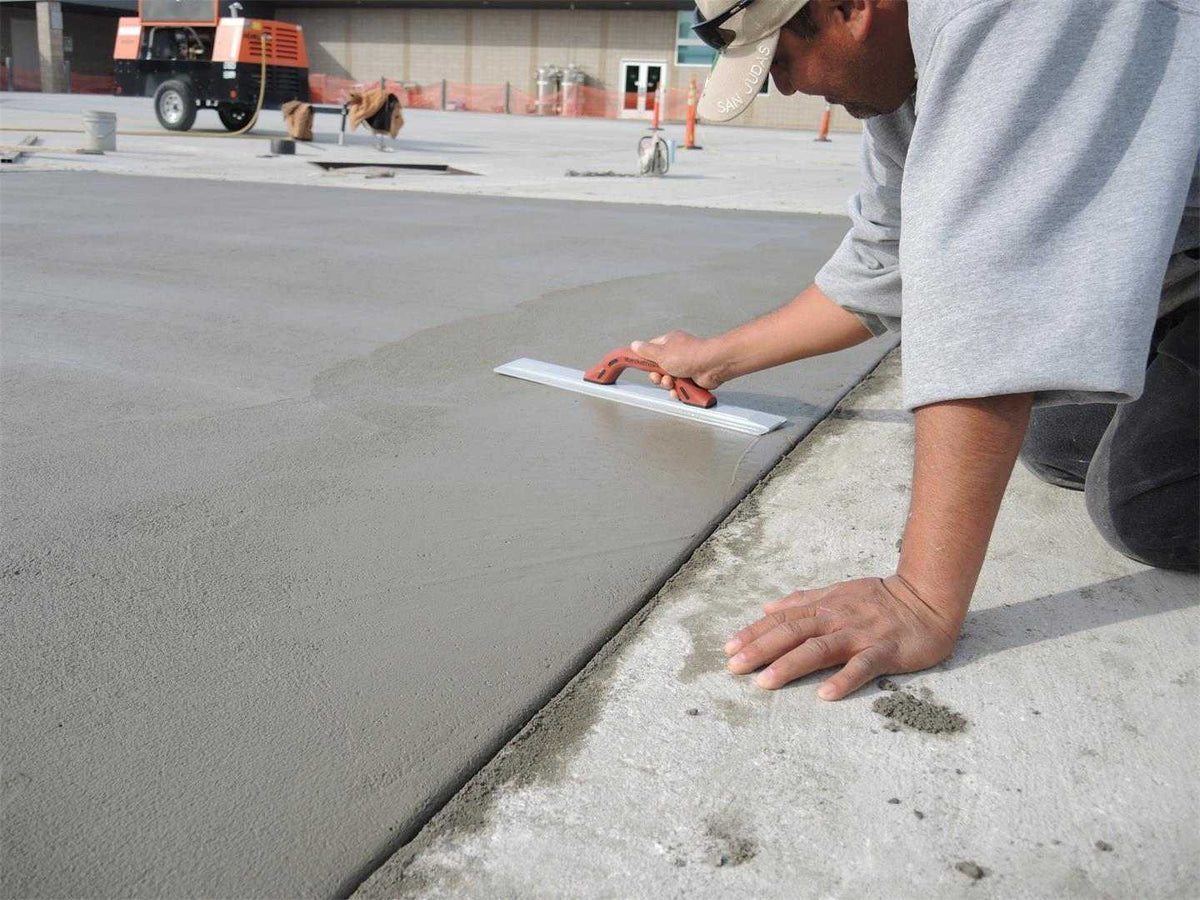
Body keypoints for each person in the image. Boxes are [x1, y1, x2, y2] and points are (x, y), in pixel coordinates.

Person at [632, 0, 1199, 700]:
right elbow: (886, 259)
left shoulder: (1015, 15)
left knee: (1148, 501)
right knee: (1057, 437)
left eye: (780, 59)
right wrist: (716, 359)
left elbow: (993, 276)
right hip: (1181, 260)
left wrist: (923, 597)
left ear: (851, 7)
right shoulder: (901, 75)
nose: (783, 87)